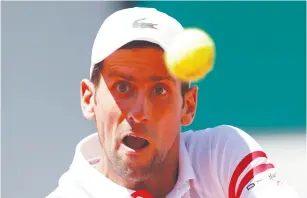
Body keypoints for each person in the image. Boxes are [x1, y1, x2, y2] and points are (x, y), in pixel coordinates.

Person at [47, 7, 299, 198]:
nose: (139, 112)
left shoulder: (222, 156)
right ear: (89, 99)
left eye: (159, 90)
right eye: (122, 87)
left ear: (188, 106)